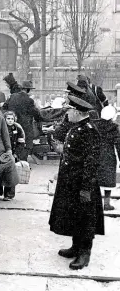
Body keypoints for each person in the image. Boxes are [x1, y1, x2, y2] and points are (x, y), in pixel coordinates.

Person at [49, 95, 104, 270]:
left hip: (83, 183)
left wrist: (86, 188)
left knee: (85, 218)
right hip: (70, 181)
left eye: (69, 110)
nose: (67, 114)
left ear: (77, 112)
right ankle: (75, 246)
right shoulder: (77, 127)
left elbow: (91, 161)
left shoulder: (89, 130)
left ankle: (84, 253)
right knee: (74, 215)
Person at [3, 80, 42, 161]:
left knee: (12, 143)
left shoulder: (12, 96)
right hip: (25, 127)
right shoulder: (29, 100)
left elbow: (4, 107)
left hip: (12, 125)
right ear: (28, 90)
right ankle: (22, 164)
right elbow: (35, 113)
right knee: (25, 145)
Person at [92, 105, 120, 211]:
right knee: (108, 180)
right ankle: (106, 204)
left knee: (94, 179)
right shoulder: (114, 127)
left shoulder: (94, 125)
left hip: (94, 154)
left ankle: (94, 203)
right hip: (108, 156)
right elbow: (118, 145)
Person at [0, 111, 25, 200]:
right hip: (1, 154)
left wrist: (16, 154)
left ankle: (9, 194)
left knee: (11, 174)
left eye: (12, 119)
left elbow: (21, 143)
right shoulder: (0, 127)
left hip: (13, 154)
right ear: (4, 119)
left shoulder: (18, 128)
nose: (10, 120)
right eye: (8, 119)